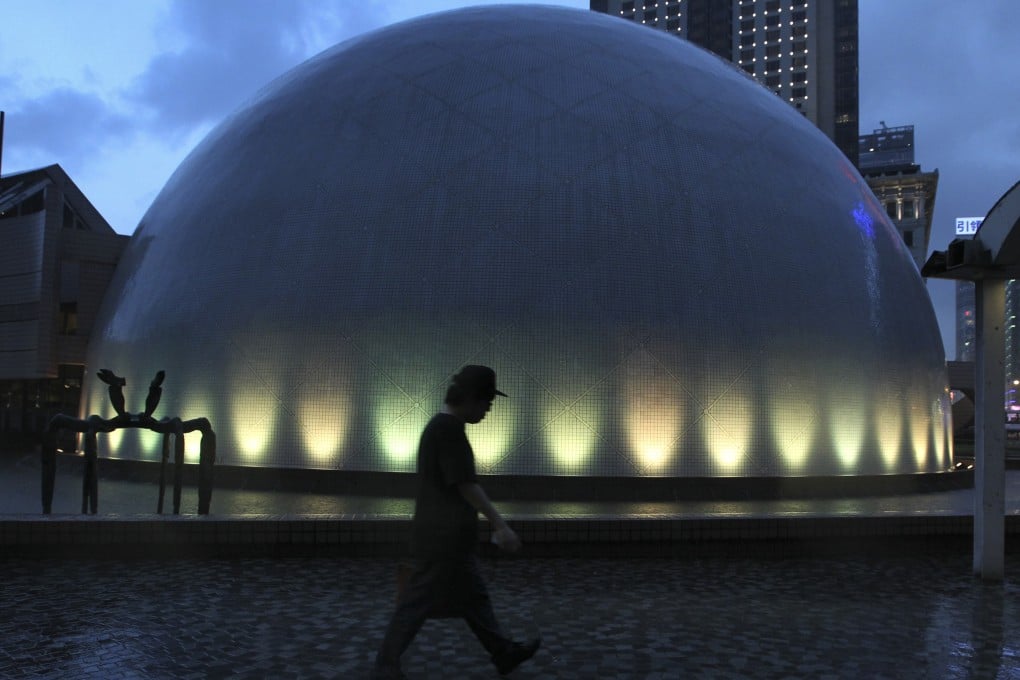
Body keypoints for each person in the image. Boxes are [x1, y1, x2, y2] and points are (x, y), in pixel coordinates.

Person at [371, 365, 541, 679]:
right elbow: (465, 483)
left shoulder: (443, 427)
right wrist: (499, 524)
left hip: (447, 538)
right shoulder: (448, 431)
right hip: (442, 540)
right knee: (416, 603)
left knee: (473, 598)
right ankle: (385, 663)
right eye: (487, 402)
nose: (489, 410)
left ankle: (503, 652)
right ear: (472, 398)